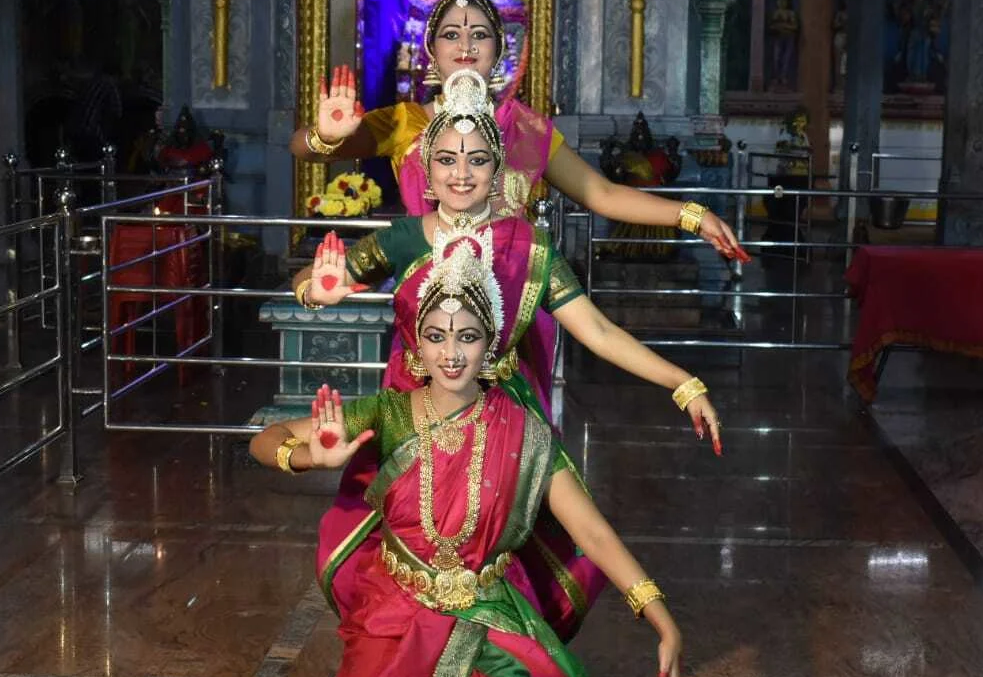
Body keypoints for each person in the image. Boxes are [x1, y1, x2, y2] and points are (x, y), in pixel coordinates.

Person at [293, 70, 722, 641]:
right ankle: (409, 648)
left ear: (498, 169)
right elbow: (318, 277)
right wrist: (314, 287)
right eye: (446, 159)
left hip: (504, 418)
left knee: (518, 547)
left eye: (476, 160)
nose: (461, 174)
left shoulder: (530, 247)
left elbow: (596, 330)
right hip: (417, 412)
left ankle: (499, 650)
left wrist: (681, 382)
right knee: (400, 548)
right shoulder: (404, 237)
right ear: (428, 167)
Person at [251, 234, 683, 677]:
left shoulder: (524, 433)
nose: (451, 354)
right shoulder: (389, 415)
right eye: (435, 336)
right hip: (394, 619)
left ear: (491, 342)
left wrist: (660, 617)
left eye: (467, 337)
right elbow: (266, 439)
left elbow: (590, 530)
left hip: (488, 616)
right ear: (416, 341)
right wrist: (307, 458)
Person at [289, 0, 748, 262]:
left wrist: (693, 214)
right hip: (429, 309)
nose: (465, 46)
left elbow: (603, 194)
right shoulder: (404, 123)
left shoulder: (525, 127)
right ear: (432, 51)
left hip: (512, 300)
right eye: (451, 34)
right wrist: (325, 137)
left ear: (499, 52)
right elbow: (303, 150)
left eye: (480, 36)